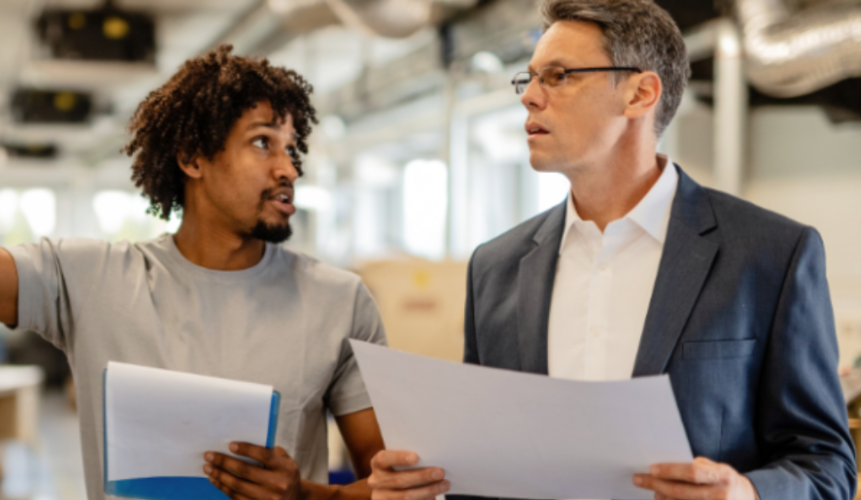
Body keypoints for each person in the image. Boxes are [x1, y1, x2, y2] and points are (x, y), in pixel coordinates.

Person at [366, 1, 856, 500]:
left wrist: (746, 493)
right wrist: (426, 483)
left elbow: (828, 466)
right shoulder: (495, 268)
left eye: (558, 76)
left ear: (640, 94)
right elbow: (486, 465)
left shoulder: (770, 255)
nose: (531, 97)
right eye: (529, 78)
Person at [0, 45, 387, 500]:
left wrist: (306, 495)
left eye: (292, 149)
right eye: (262, 142)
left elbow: (395, 484)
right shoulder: (91, 280)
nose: (288, 169)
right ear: (192, 157)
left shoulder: (340, 301)